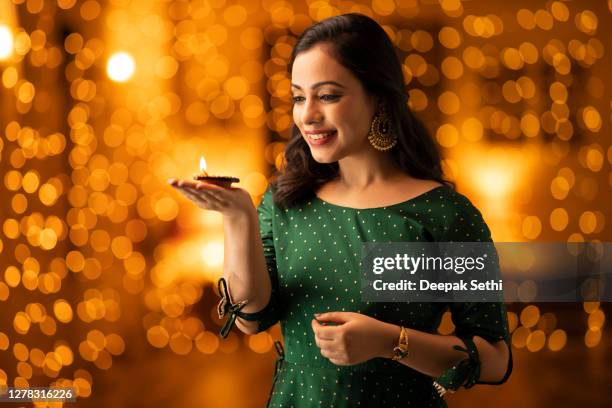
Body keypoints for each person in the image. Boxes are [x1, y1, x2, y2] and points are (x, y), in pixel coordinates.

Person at [169, 13, 511, 408]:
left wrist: (389, 342)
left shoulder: (444, 214)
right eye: (299, 96)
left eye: (328, 95)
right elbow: (250, 319)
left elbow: (495, 359)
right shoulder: (284, 202)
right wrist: (238, 218)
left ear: (378, 96)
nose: (307, 115)